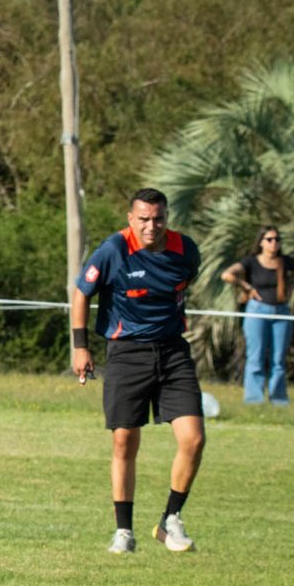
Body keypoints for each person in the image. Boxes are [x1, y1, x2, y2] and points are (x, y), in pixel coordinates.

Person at [71, 188, 205, 555]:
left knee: (193, 439)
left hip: (173, 351)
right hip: (126, 353)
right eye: (143, 219)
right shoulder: (114, 249)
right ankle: (124, 531)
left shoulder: (185, 250)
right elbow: (82, 293)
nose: (151, 226)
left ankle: (170, 519)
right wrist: (80, 346)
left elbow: (183, 284)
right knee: (124, 440)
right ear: (131, 218)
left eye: (158, 219)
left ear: (167, 218)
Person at [220, 225, 294, 406]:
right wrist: (246, 286)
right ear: (261, 242)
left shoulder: (285, 261)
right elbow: (226, 275)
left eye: (277, 239)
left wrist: (293, 288)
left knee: (278, 360)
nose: (274, 242)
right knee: (256, 357)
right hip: (257, 312)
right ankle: (254, 400)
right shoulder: (251, 261)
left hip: (282, 313)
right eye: (269, 239)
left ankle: (279, 400)